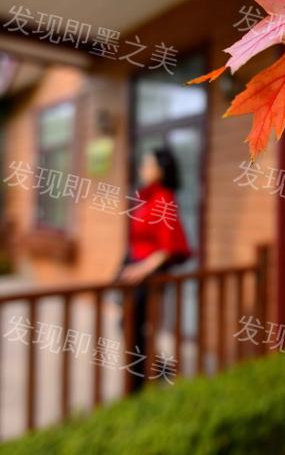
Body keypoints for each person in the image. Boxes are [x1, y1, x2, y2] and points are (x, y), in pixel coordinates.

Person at [117, 147, 190, 391]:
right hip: (136, 268)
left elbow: (167, 248)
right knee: (129, 323)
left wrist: (141, 269)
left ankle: (144, 379)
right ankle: (156, 370)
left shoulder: (164, 199)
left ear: (160, 170)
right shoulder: (147, 197)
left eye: (147, 164)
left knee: (137, 325)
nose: (142, 168)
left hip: (149, 274)